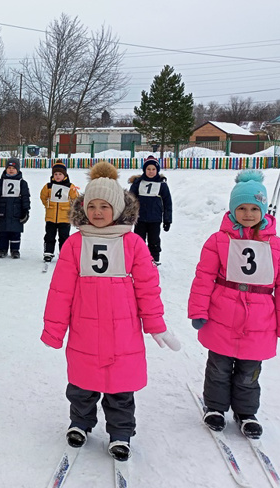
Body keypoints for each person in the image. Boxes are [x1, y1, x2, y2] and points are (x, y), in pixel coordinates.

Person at [41, 161, 180, 461]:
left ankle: (120, 432)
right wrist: (54, 329)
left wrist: (155, 324)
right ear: (83, 209)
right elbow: (61, 290)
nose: (98, 212)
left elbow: (147, 287)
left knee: (121, 387)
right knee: (81, 383)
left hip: (123, 330)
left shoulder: (132, 243)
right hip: (84, 329)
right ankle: (80, 422)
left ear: (117, 209)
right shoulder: (75, 244)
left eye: (105, 206)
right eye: (92, 206)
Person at [188, 170, 280, 438]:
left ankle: (246, 412)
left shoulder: (277, 246)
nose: (248, 214)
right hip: (222, 314)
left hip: (260, 320)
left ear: (263, 210)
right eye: (241, 208)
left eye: (253, 208)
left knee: (249, 372)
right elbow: (203, 277)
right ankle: (215, 407)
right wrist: (198, 310)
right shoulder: (218, 241)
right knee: (218, 367)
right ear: (232, 210)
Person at [128, 156, 173, 264]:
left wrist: (167, 220)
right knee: (139, 240)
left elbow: (167, 203)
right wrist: (128, 215)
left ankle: (154, 259)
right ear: (144, 170)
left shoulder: (162, 185)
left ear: (157, 170)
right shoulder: (138, 183)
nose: (151, 171)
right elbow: (130, 200)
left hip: (155, 218)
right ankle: (138, 260)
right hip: (140, 218)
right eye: (148, 169)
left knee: (154, 240)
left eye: (153, 169)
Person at [0, 157, 31, 258]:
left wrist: (26, 210)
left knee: (16, 232)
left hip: (16, 211)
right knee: (3, 232)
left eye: (13, 167)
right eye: (9, 167)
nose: (11, 169)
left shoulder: (22, 183)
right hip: (3, 210)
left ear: (18, 169)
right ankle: (2, 249)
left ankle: (15, 250)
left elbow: (26, 197)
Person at [40, 162, 79, 264]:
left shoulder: (70, 186)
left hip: (65, 218)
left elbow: (76, 199)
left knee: (64, 237)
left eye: (60, 174)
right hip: (51, 217)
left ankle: (64, 253)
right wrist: (48, 205)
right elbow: (43, 196)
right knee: (49, 236)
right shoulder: (48, 186)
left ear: (64, 175)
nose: (57, 176)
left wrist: (72, 208)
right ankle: (48, 252)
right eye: (55, 174)